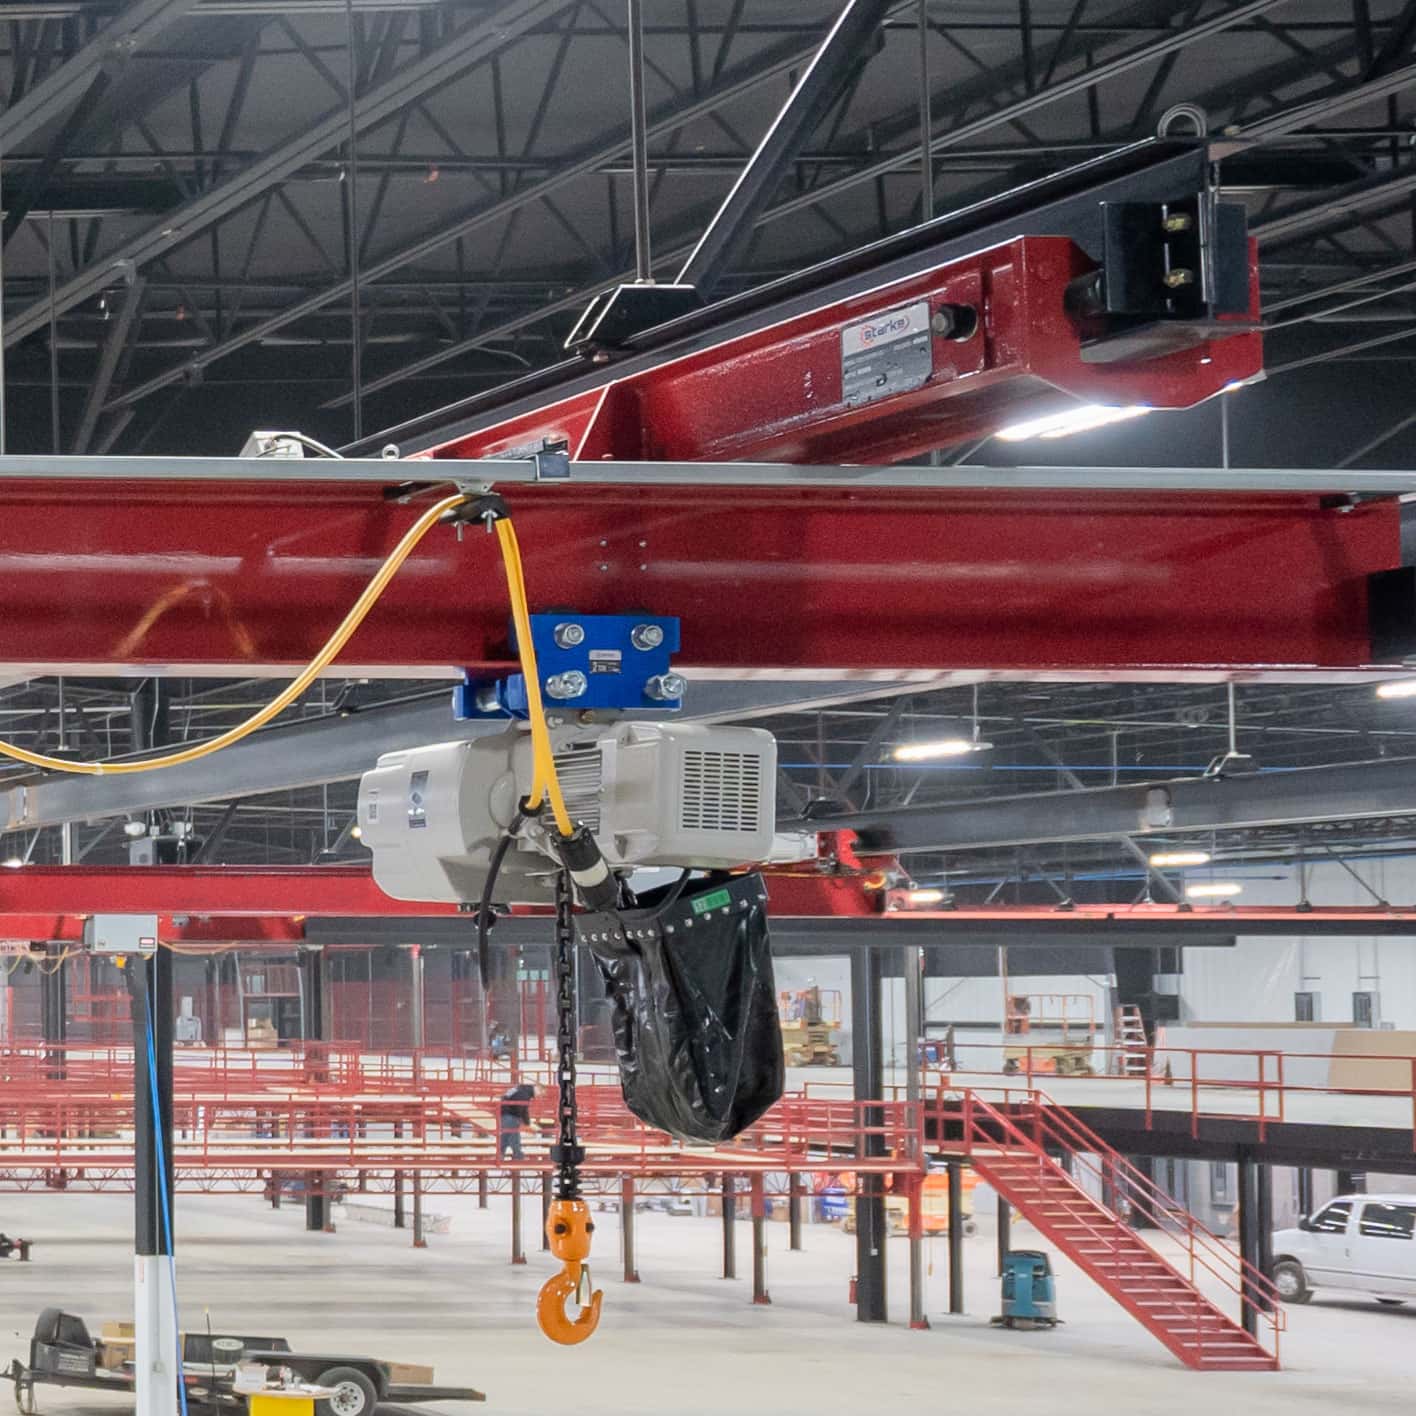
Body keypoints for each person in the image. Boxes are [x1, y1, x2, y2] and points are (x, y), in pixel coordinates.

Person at [498, 1083, 535, 1160]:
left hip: (505, 1113)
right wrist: (526, 1122)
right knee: (513, 1135)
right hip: (511, 1114)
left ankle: (502, 1154)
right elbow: (522, 1109)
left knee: (506, 1135)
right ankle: (517, 1155)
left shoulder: (517, 1089)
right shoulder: (524, 1094)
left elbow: (505, 1098)